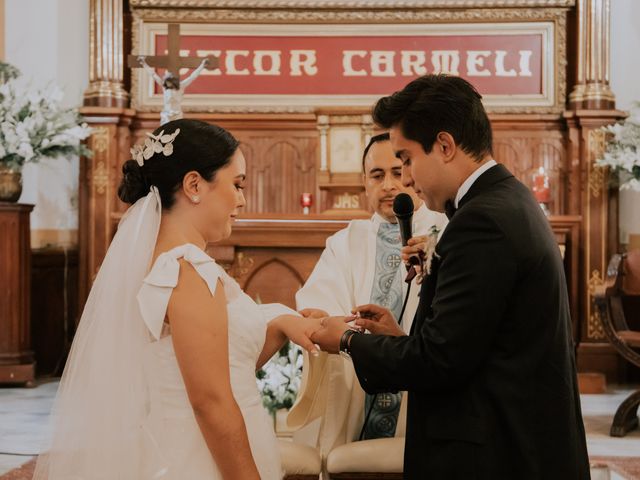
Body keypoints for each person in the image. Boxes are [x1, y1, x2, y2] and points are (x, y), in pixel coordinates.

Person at [310, 74, 590, 479]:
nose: (405, 179)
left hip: (498, 454)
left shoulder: (482, 221)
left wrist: (348, 340)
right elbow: (471, 346)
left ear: (444, 145)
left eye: (406, 159)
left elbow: (439, 362)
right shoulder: (506, 199)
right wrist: (399, 341)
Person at [33, 119, 322, 480]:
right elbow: (211, 402)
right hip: (200, 459)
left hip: (170, 446)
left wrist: (281, 322)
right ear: (194, 185)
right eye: (237, 184)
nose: (242, 199)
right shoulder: (188, 269)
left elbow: (220, 363)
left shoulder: (155, 264)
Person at [290, 133, 446, 461]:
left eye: (397, 171)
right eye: (377, 176)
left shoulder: (445, 232)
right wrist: (325, 320)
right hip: (356, 389)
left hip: (424, 390)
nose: (389, 185)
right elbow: (319, 306)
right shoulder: (345, 242)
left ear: (414, 172)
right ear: (365, 183)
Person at [138, 56, 210, 125]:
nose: (167, 83)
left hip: (177, 115)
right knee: (165, 133)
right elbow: (153, 75)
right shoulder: (164, 87)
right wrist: (144, 64)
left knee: (177, 133)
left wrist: (202, 65)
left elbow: (192, 77)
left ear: (173, 81)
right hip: (166, 115)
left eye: (169, 81)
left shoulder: (181, 86)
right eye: (166, 82)